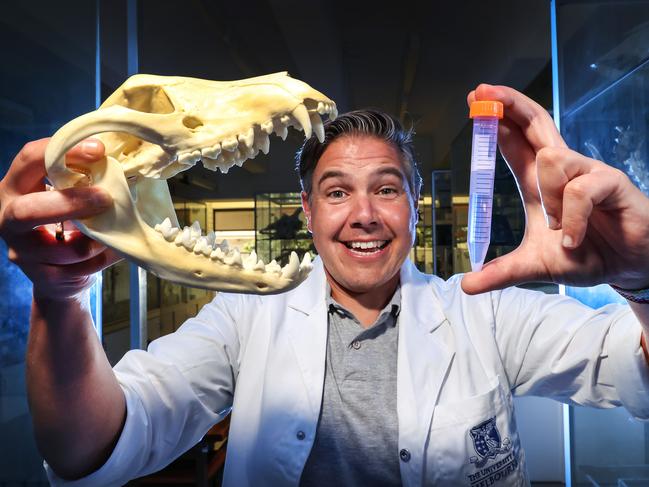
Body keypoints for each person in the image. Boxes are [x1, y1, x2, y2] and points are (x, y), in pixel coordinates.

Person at [1, 84, 649, 486]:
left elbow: (626, 366)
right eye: (336, 191)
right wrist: (60, 298)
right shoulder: (242, 320)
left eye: (386, 189)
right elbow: (98, 443)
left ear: (414, 206)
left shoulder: (486, 315)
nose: (363, 213)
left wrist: (641, 280)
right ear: (306, 211)